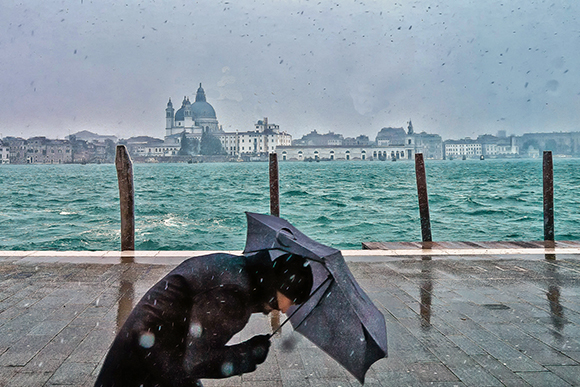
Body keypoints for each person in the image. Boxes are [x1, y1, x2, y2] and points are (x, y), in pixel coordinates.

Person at [94, 251, 313, 387]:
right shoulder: (235, 297)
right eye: (292, 302)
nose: (286, 311)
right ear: (283, 288)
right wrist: (246, 354)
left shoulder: (242, 276)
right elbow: (196, 361)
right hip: (147, 358)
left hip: (151, 347)